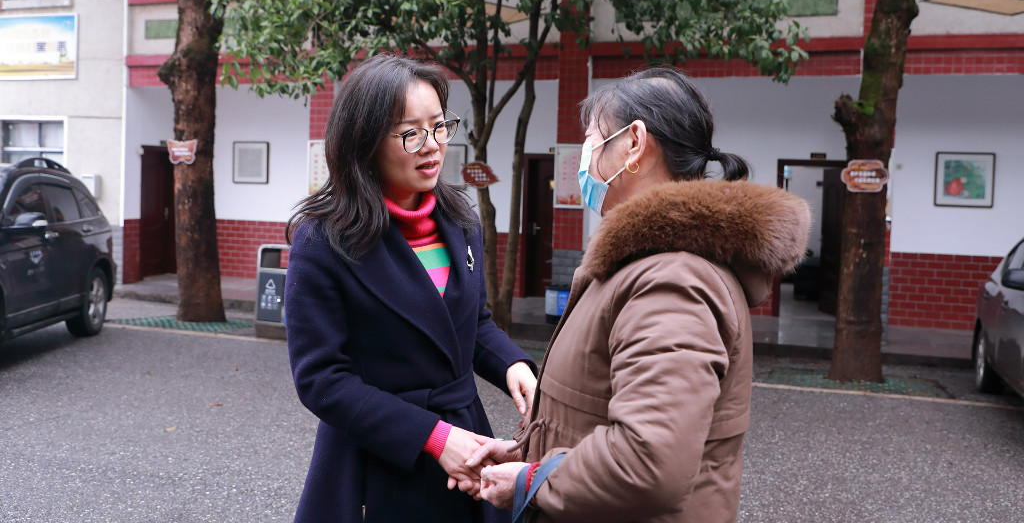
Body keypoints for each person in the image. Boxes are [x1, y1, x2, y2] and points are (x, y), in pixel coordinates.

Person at [466, 66, 811, 522]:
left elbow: (647, 463)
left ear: (634, 143)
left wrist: (533, 480)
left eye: (592, 141)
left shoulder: (673, 281)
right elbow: (597, 416)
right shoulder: (643, 262)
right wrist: (527, 453)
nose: (585, 158)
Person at [284, 53, 537, 523]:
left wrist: (513, 364)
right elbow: (321, 379)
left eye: (439, 127)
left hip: (466, 438)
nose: (433, 145)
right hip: (378, 456)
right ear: (364, 140)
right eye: (411, 133)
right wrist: (433, 437)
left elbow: (471, 322)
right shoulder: (323, 240)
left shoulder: (460, 220)